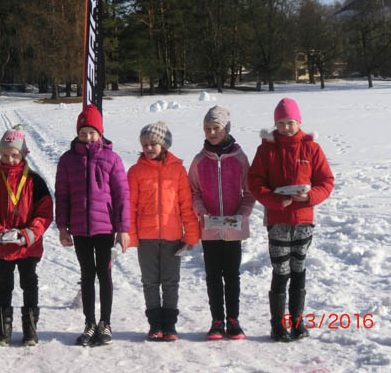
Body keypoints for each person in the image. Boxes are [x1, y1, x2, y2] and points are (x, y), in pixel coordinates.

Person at [248, 98, 334, 342]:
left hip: (304, 220)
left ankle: (297, 322)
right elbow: (255, 182)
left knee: (299, 269)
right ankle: (278, 325)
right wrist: (275, 200)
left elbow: (326, 181)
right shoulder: (266, 149)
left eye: (291, 122)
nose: (286, 127)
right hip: (278, 220)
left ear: (299, 123)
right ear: (276, 123)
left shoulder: (311, 149)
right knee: (281, 270)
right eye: (282, 123)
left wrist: (309, 197)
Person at [55, 104, 130, 346]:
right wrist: (63, 227)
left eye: (92, 132)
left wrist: (123, 229)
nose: (87, 138)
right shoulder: (68, 160)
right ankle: (89, 323)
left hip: (105, 229)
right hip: (79, 228)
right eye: (83, 132)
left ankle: (105, 323)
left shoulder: (112, 159)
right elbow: (62, 195)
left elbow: (122, 196)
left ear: (101, 133)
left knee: (104, 273)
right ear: (77, 133)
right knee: (87, 274)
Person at [0, 125, 53, 347]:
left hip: (28, 245)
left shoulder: (35, 181)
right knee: (3, 284)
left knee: (29, 283)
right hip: (2, 246)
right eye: (5, 155)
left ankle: (30, 329)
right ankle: (3, 330)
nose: (9, 159)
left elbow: (45, 213)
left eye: (14, 155)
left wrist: (29, 234)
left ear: (22, 154)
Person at [127, 121, 199, 342]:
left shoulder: (178, 170)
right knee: (150, 282)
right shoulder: (136, 171)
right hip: (146, 238)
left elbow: (186, 205)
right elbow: (129, 206)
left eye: (154, 144)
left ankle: (169, 324)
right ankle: (155, 324)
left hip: (172, 237)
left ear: (164, 145)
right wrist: (130, 235)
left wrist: (191, 235)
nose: (149, 148)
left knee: (170, 282)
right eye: (145, 144)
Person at [188, 106, 255, 340]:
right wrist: (201, 211)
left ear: (226, 129)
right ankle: (217, 320)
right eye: (207, 129)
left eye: (216, 128)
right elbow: (193, 191)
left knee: (232, 275)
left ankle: (234, 320)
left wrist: (243, 213)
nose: (211, 133)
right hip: (209, 228)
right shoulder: (198, 160)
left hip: (233, 228)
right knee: (213, 274)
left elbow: (249, 191)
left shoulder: (239, 158)